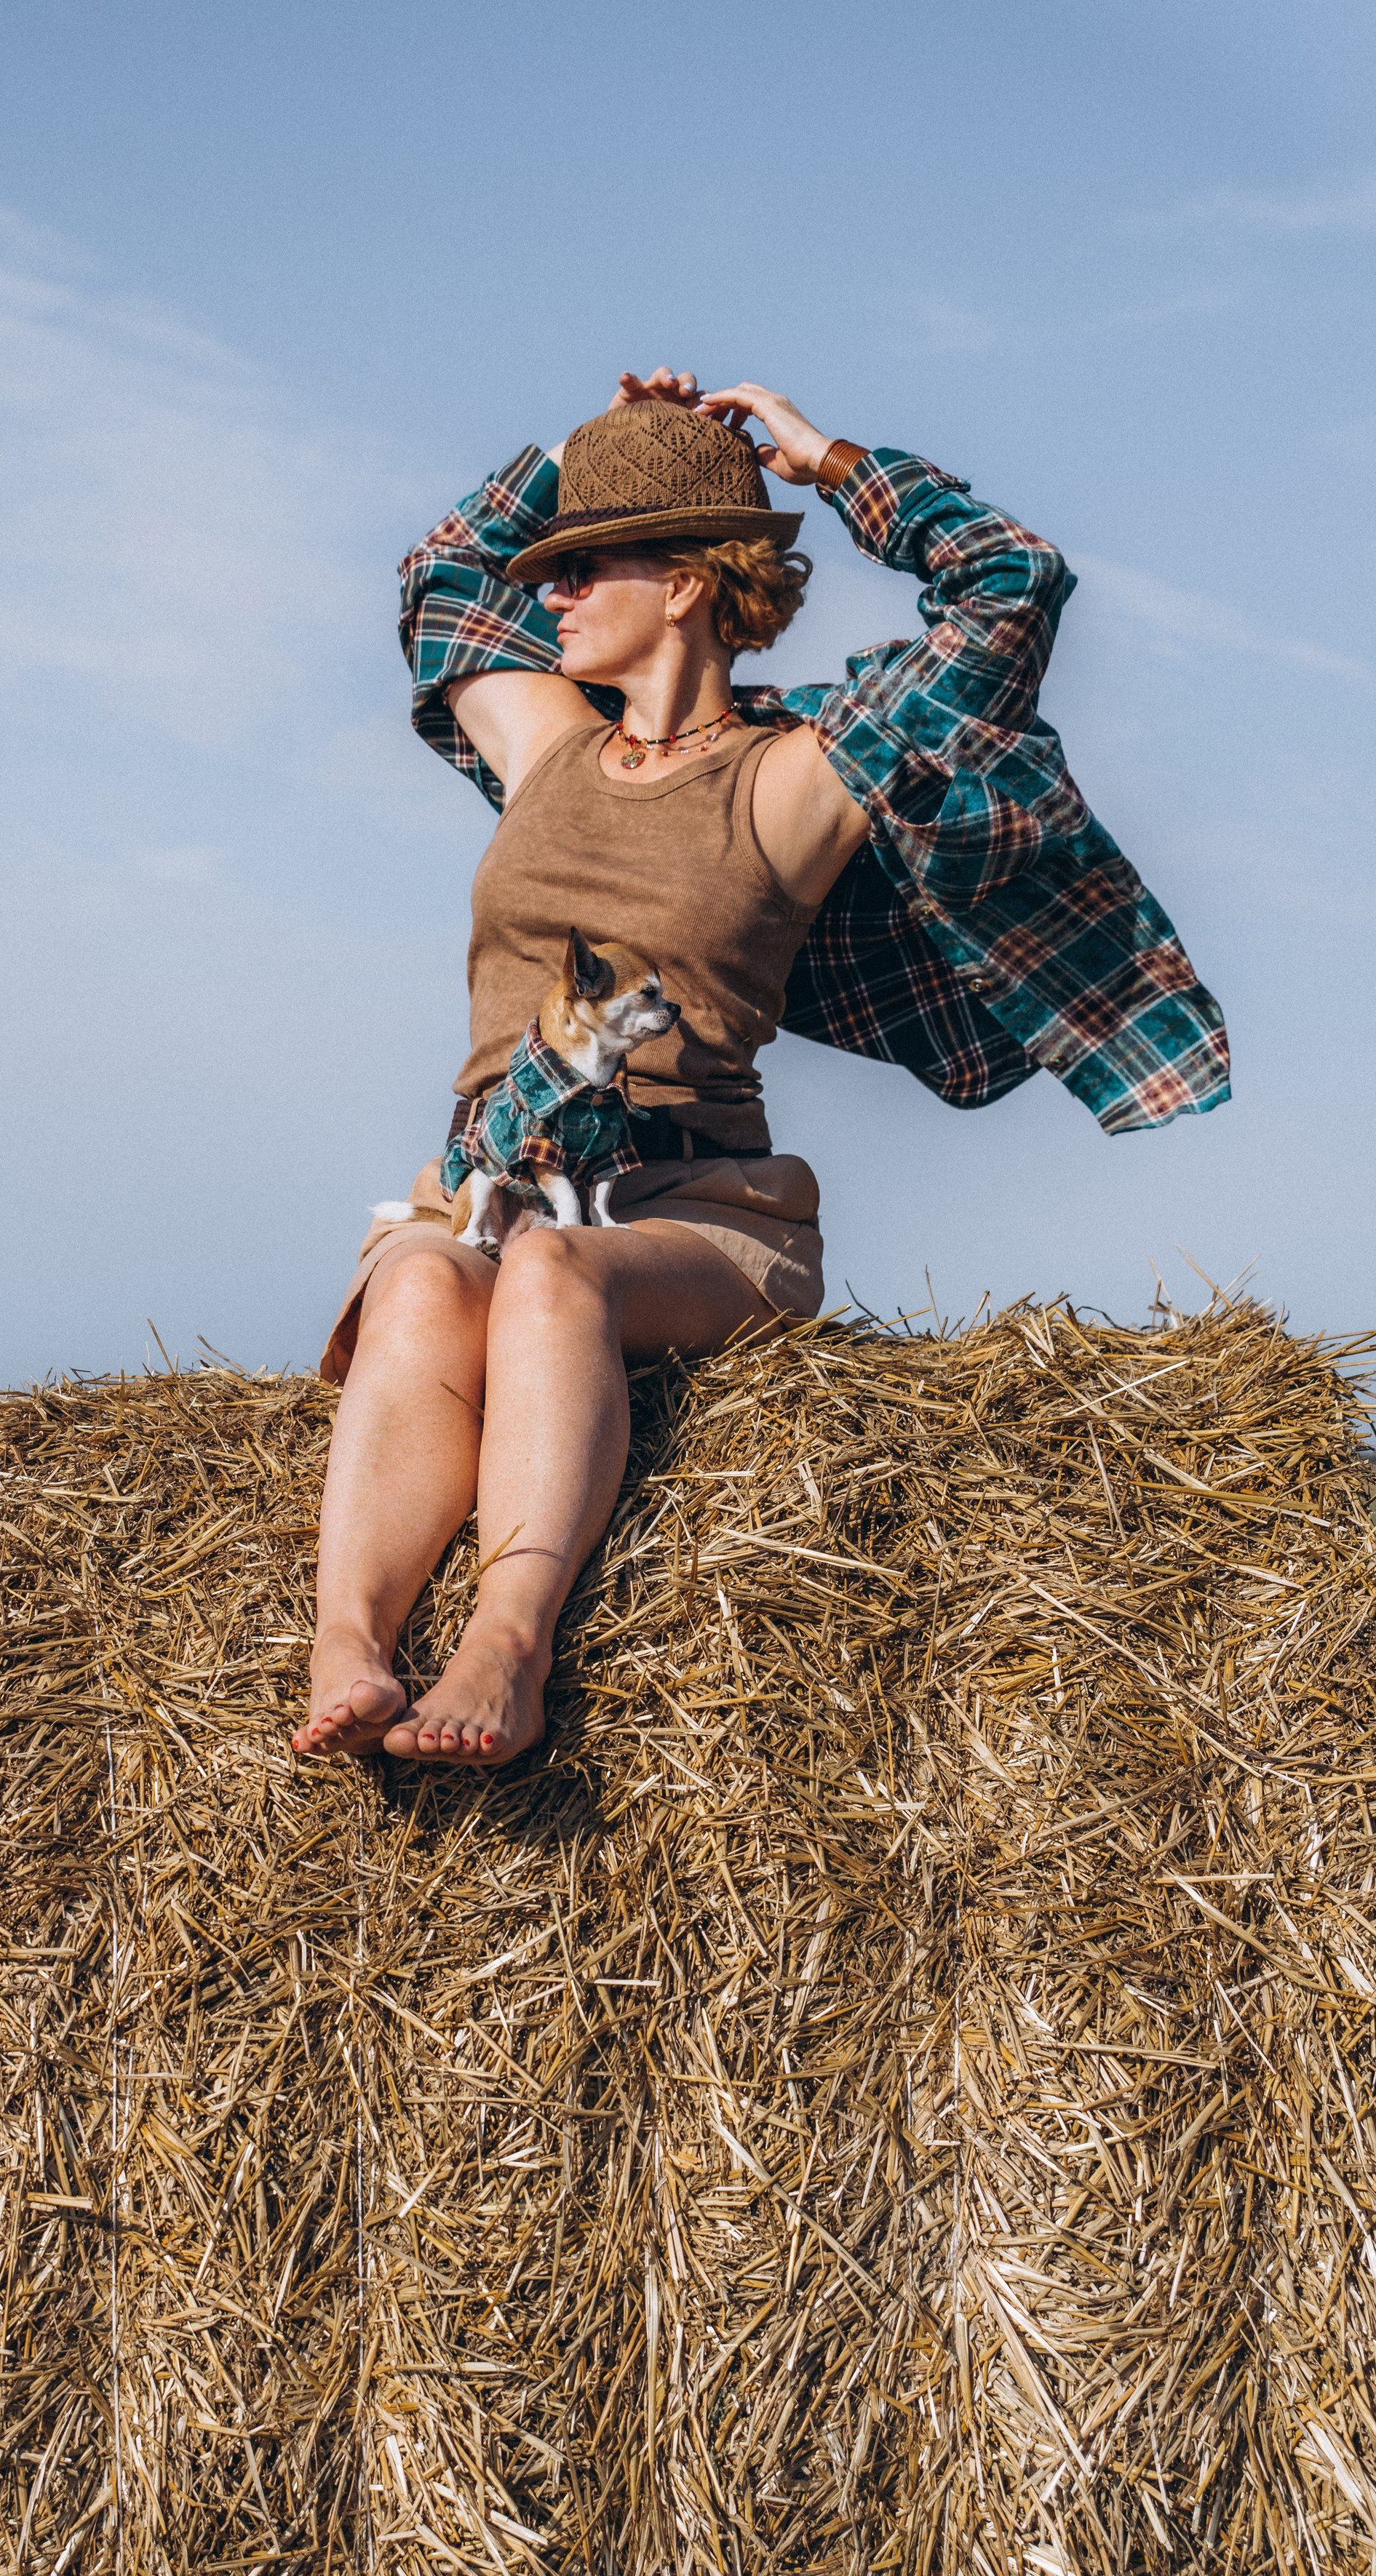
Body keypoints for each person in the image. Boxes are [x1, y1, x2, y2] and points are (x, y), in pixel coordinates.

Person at [290, 368, 1229, 1768]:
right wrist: (587, 452)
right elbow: (441, 577)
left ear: (683, 583)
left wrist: (822, 459)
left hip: (699, 1211)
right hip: (491, 1188)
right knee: (424, 1275)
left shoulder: (792, 783)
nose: (547, 592)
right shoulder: (544, 743)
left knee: (554, 1280)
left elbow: (1009, 587)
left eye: (583, 564)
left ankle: (509, 1645)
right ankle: (351, 1649)